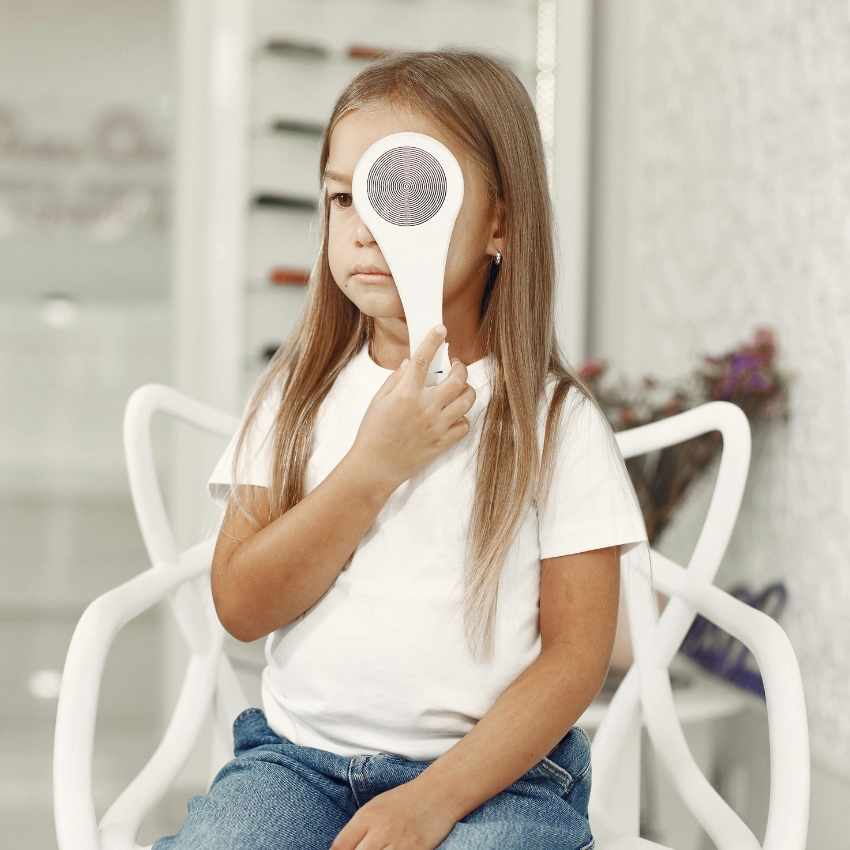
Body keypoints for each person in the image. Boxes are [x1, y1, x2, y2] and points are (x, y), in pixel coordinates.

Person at [155, 49, 648, 850]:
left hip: (497, 778)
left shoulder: (558, 425)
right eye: (345, 197)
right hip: (297, 763)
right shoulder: (295, 399)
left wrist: (434, 799)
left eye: (410, 194)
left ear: (501, 221)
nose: (365, 228)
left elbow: (575, 656)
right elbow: (243, 608)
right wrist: (372, 467)